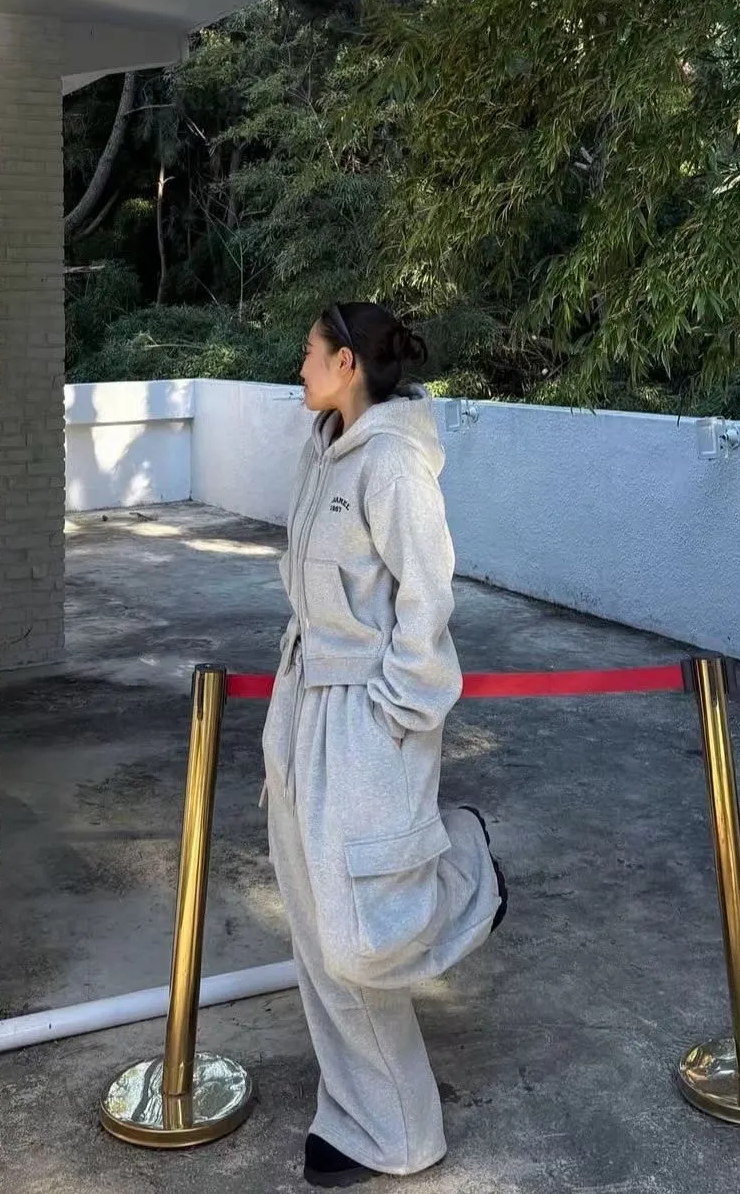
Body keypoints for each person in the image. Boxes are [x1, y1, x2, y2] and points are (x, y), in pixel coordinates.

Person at [262, 302, 508, 1188]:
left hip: (366, 716)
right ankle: (378, 1124)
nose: (299, 367)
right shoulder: (323, 448)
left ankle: (468, 874)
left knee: (359, 935)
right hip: (302, 702)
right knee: (315, 928)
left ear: (347, 364)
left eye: (309, 353)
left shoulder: (395, 461)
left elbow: (426, 597)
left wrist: (399, 711)